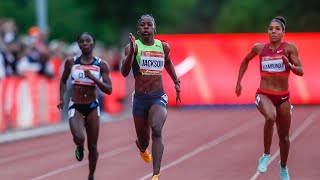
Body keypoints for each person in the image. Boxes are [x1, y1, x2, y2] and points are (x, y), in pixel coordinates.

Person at [235, 16, 304, 180]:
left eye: (277, 29)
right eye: (270, 28)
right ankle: (266, 155)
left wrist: (290, 66)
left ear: (283, 32)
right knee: (270, 116)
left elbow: (300, 71)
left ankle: (283, 168)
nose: (273, 31)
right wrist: (238, 82)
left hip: (283, 97)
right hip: (264, 94)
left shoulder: (290, 49)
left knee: (284, 137)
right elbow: (245, 61)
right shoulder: (259, 48)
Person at [121, 14, 181, 180]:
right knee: (144, 140)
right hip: (140, 99)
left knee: (156, 128)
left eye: (149, 24)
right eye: (142, 25)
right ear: (138, 29)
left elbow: (168, 62)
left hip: (157, 96)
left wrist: (176, 80)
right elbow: (124, 72)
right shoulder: (132, 47)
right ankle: (142, 148)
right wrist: (131, 52)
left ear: (155, 28)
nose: (146, 27)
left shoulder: (163, 47)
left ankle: (156, 174)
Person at [57, 32, 112, 180]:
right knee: (80, 137)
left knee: (93, 145)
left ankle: (91, 175)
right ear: (78, 45)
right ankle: (79, 147)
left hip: (93, 106)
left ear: (93, 43)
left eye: (88, 41)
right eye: (82, 42)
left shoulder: (101, 64)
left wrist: (93, 78)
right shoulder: (71, 62)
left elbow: (109, 89)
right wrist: (62, 98)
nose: (85, 44)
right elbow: (62, 81)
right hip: (76, 106)